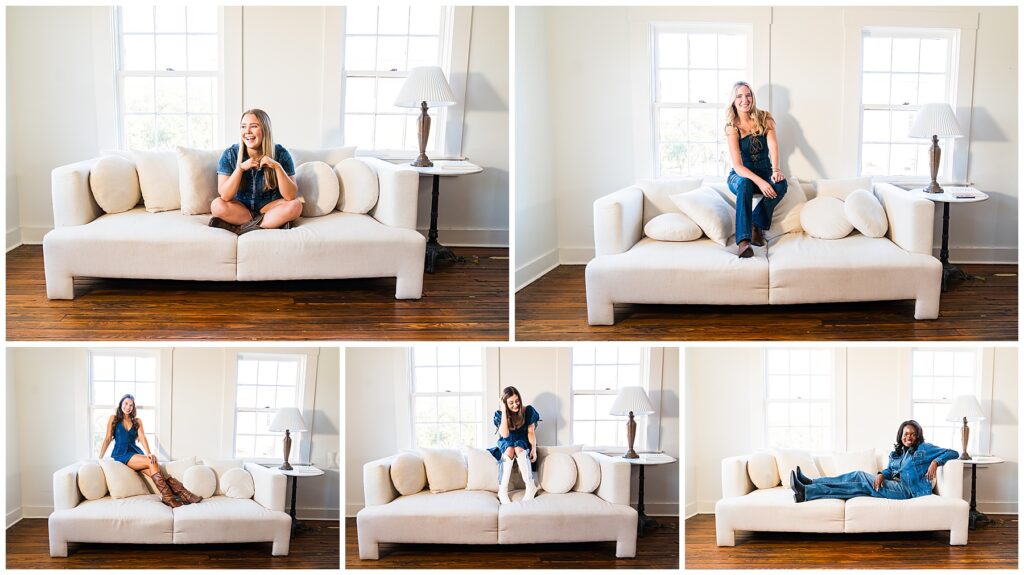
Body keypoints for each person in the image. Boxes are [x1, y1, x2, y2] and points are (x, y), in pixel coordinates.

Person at [790, 420, 959, 503]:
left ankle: (808, 489)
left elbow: (953, 452)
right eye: (906, 433)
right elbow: (890, 471)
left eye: (913, 434)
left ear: (918, 436)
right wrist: (880, 474)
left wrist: (935, 462)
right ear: (901, 435)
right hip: (895, 485)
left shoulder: (924, 449)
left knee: (861, 479)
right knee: (858, 480)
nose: (909, 437)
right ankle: (809, 486)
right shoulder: (897, 452)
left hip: (908, 491)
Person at [98, 394, 202, 508]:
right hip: (121, 454)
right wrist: (100, 458)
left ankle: (181, 495)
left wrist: (148, 453)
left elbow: (142, 437)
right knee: (152, 462)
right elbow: (107, 438)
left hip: (135, 453)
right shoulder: (114, 418)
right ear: (121, 404)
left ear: (133, 408)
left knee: (155, 467)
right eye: (126, 404)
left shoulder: (137, 421)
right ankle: (176, 496)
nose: (128, 407)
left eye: (131, 405)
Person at [210, 108, 302, 234]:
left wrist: (277, 167)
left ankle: (241, 228)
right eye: (243, 126)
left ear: (265, 130)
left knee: (296, 205)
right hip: (241, 208)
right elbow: (225, 196)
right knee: (216, 205)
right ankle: (269, 224)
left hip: (269, 208)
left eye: (253, 126)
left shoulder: (281, 154)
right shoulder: (230, 154)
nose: (247, 131)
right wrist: (240, 168)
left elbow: (290, 196)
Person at [725, 81, 788, 258]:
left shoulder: (764, 117)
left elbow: (773, 146)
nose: (744, 100)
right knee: (745, 184)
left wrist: (775, 170)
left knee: (781, 184)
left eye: (748, 95)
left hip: (764, 170)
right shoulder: (732, 126)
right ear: (733, 101)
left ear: (753, 97)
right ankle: (744, 242)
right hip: (740, 175)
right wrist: (759, 182)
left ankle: (756, 224)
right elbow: (737, 166)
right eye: (739, 96)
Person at [488, 386, 540, 504]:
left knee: (517, 446)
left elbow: (531, 432)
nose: (515, 405)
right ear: (505, 403)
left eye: (517, 401)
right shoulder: (500, 414)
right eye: (511, 402)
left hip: (522, 442)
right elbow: (505, 434)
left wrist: (534, 449)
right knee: (510, 448)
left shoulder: (528, 411)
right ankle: (502, 490)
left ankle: (530, 485)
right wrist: (504, 410)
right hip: (508, 443)